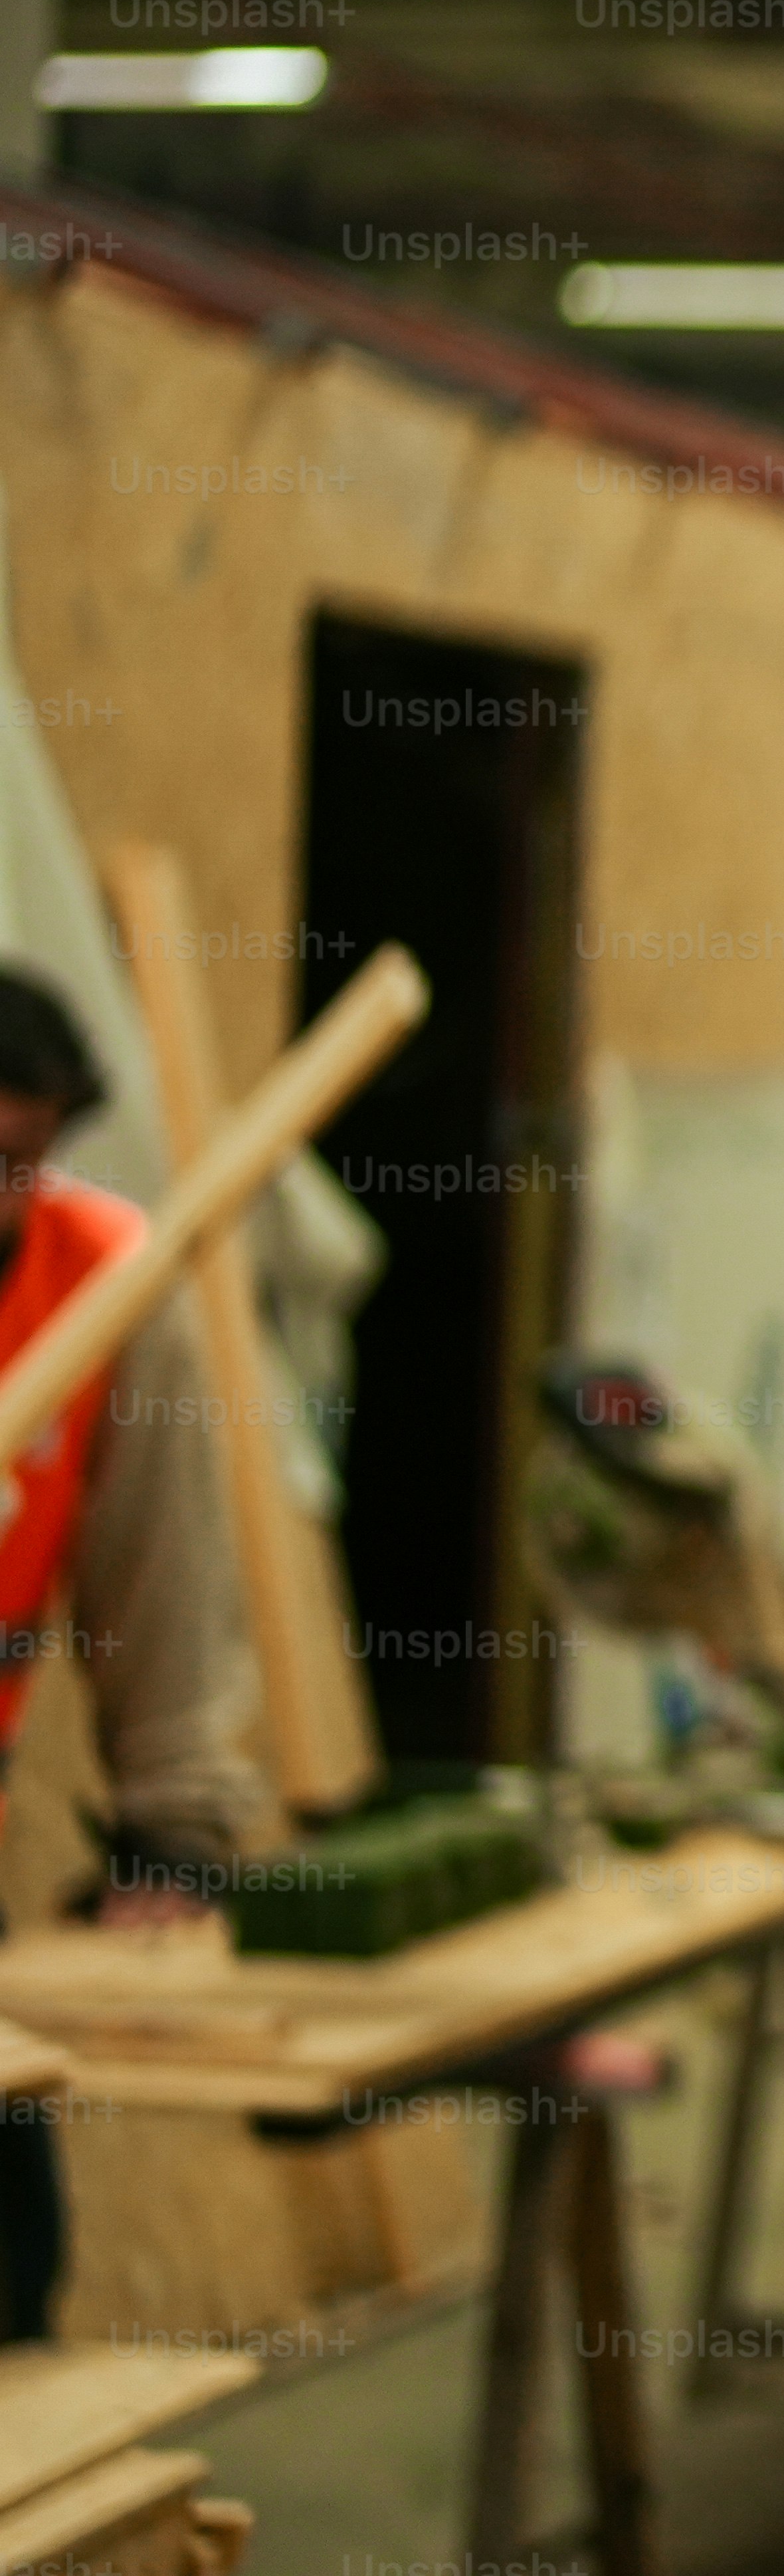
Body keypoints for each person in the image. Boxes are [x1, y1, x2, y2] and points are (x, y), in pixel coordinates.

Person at [0, 965, 279, 2340]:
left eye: (19, 1163)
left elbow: (162, 1581)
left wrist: (172, 1830)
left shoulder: (96, 1286)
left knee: (5, 2267)